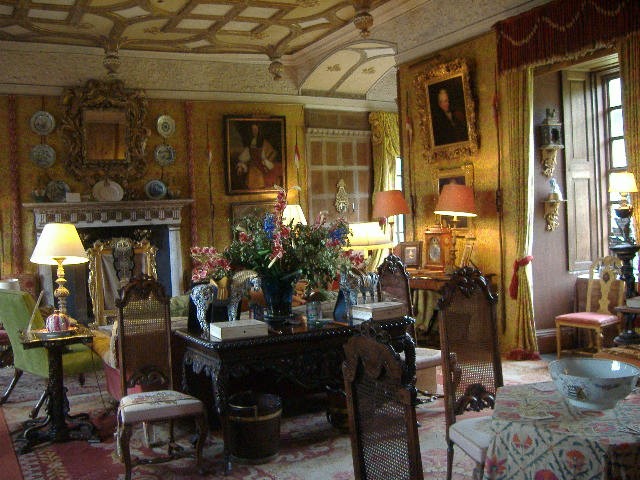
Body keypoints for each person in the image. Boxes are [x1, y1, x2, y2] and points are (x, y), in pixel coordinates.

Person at [236, 123, 282, 189]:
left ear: (259, 130)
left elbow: (272, 153)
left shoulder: (264, 142)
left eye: (255, 129)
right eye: (252, 130)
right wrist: (241, 166)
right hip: (252, 169)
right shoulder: (250, 142)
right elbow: (246, 156)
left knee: (263, 184)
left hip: (262, 168)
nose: (254, 131)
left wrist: (266, 162)